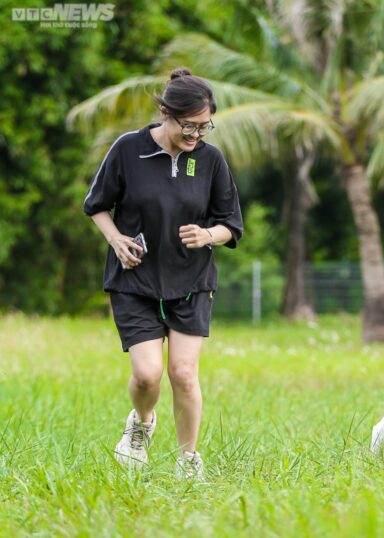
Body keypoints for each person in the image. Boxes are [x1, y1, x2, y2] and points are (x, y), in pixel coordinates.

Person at [83, 68, 244, 479]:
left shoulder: (210, 159)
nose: (196, 134)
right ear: (165, 114)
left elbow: (231, 225)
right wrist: (116, 240)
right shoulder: (128, 149)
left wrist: (207, 234)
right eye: (189, 125)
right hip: (134, 279)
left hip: (191, 281)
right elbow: (96, 205)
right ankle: (141, 424)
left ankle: (188, 460)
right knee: (147, 374)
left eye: (204, 126)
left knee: (184, 374)